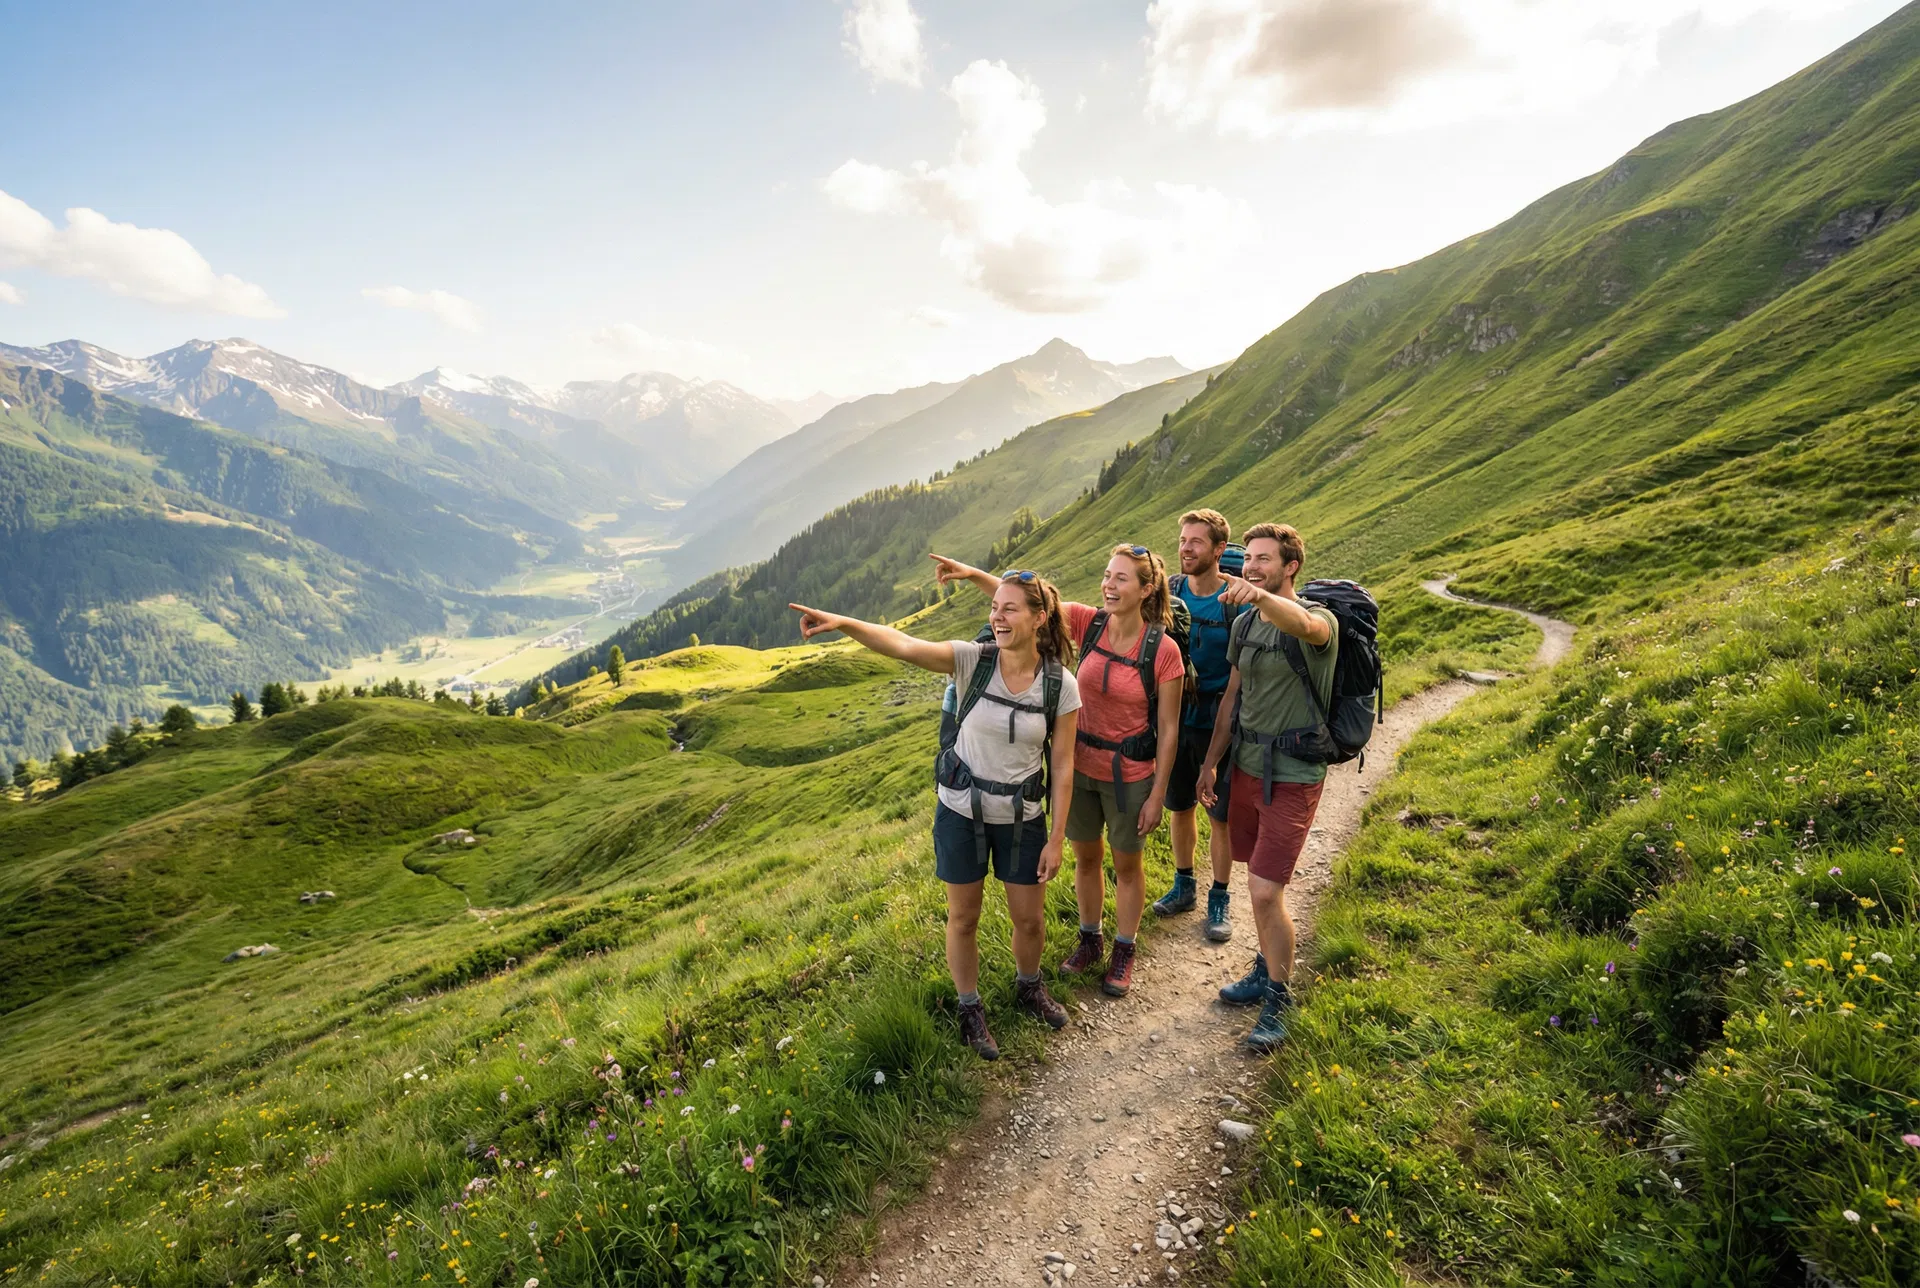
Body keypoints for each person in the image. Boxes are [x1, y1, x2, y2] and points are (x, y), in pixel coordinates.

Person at [789, 573, 1079, 1061]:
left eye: (1010, 609)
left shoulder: (1059, 685)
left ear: (1039, 618)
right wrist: (842, 623)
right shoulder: (971, 660)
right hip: (961, 811)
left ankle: (1029, 987)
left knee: (1029, 920)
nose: (997, 617)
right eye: (995, 608)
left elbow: (1065, 764)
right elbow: (903, 645)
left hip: (1022, 815)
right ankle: (970, 1009)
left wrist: (1056, 838)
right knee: (963, 917)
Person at [933, 546, 1183, 999]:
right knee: (1086, 859)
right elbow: (1031, 607)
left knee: (1127, 864)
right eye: (1107, 575)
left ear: (1146, 590)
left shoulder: (1163, 651)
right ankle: (1091, 938)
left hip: (1129, 775)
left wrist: (1157, 791)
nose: (1108, 584)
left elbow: (1168, 730)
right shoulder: (1090, 622)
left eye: (1121, 579)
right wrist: (972, 574)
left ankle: (1123, 950)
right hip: (1078, 769)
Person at [1195, 523, 1338, 1051]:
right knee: (1253, 874)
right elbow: (1232, 698)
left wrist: (1258, 595)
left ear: (1291, 565)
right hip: (1248, 766)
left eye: (1264, 559)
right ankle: (1262, 967)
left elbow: (1304, 625)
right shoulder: (1245, 626)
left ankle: (1280, 996)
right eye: (1248, 559)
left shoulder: (1320, 622)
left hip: (1295, 772)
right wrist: (1211, 762)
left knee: (1264, 890)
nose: (1252, 566)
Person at [1153, 509, 1240, 942]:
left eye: (1196, 542)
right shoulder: (1170, 593)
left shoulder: (1236, 600)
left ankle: (1219, 898)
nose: (1185, 548)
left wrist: (1216, 752)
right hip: (1175, 717)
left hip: (1218, 721)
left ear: (1219, 550)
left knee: (1218, 814)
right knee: (1179, 807)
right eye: (1182, 539)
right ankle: (1184, 885)